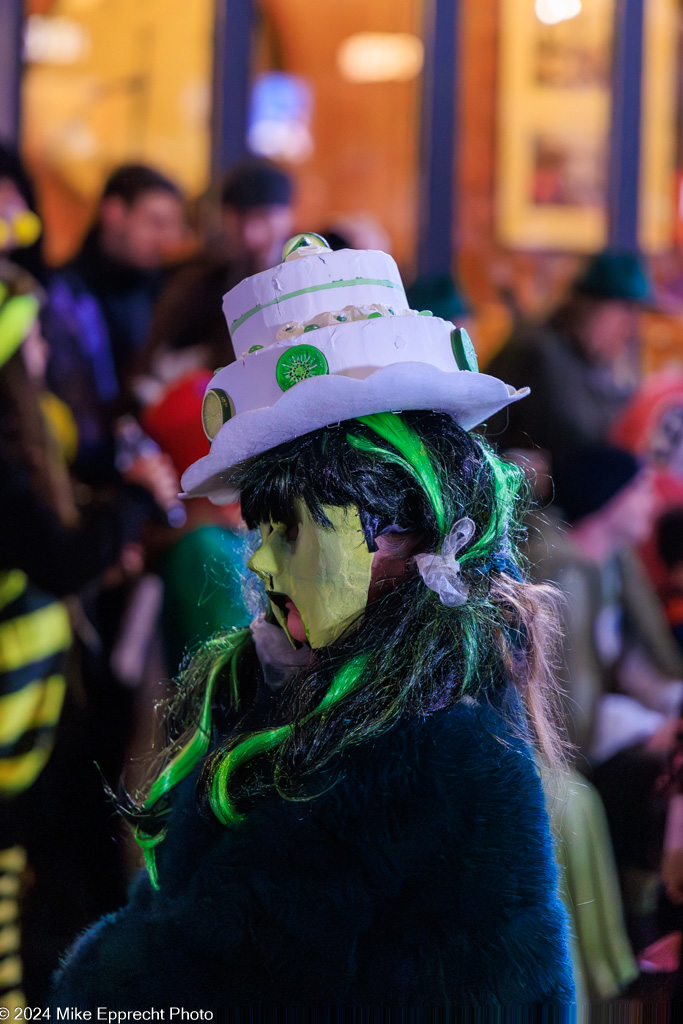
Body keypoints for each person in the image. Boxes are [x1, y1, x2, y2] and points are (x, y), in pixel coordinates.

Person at [52, 234, 573, 1008]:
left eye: (293, 530)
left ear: (404, 535)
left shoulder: (427, 752)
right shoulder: (293, 694)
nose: (259, 564)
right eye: (260, 531)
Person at [45, 164, 185, 478]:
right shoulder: (64, 292)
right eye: (155, 222)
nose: (166, 239)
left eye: (172, 226)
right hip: (86, 475)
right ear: (114, 212)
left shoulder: (164, 290)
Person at [487, 250, 652, 465]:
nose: (631, 327)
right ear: (591, 305)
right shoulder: (536, 351)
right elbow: (487, 433)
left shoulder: (600, 365)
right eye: (626, 310)